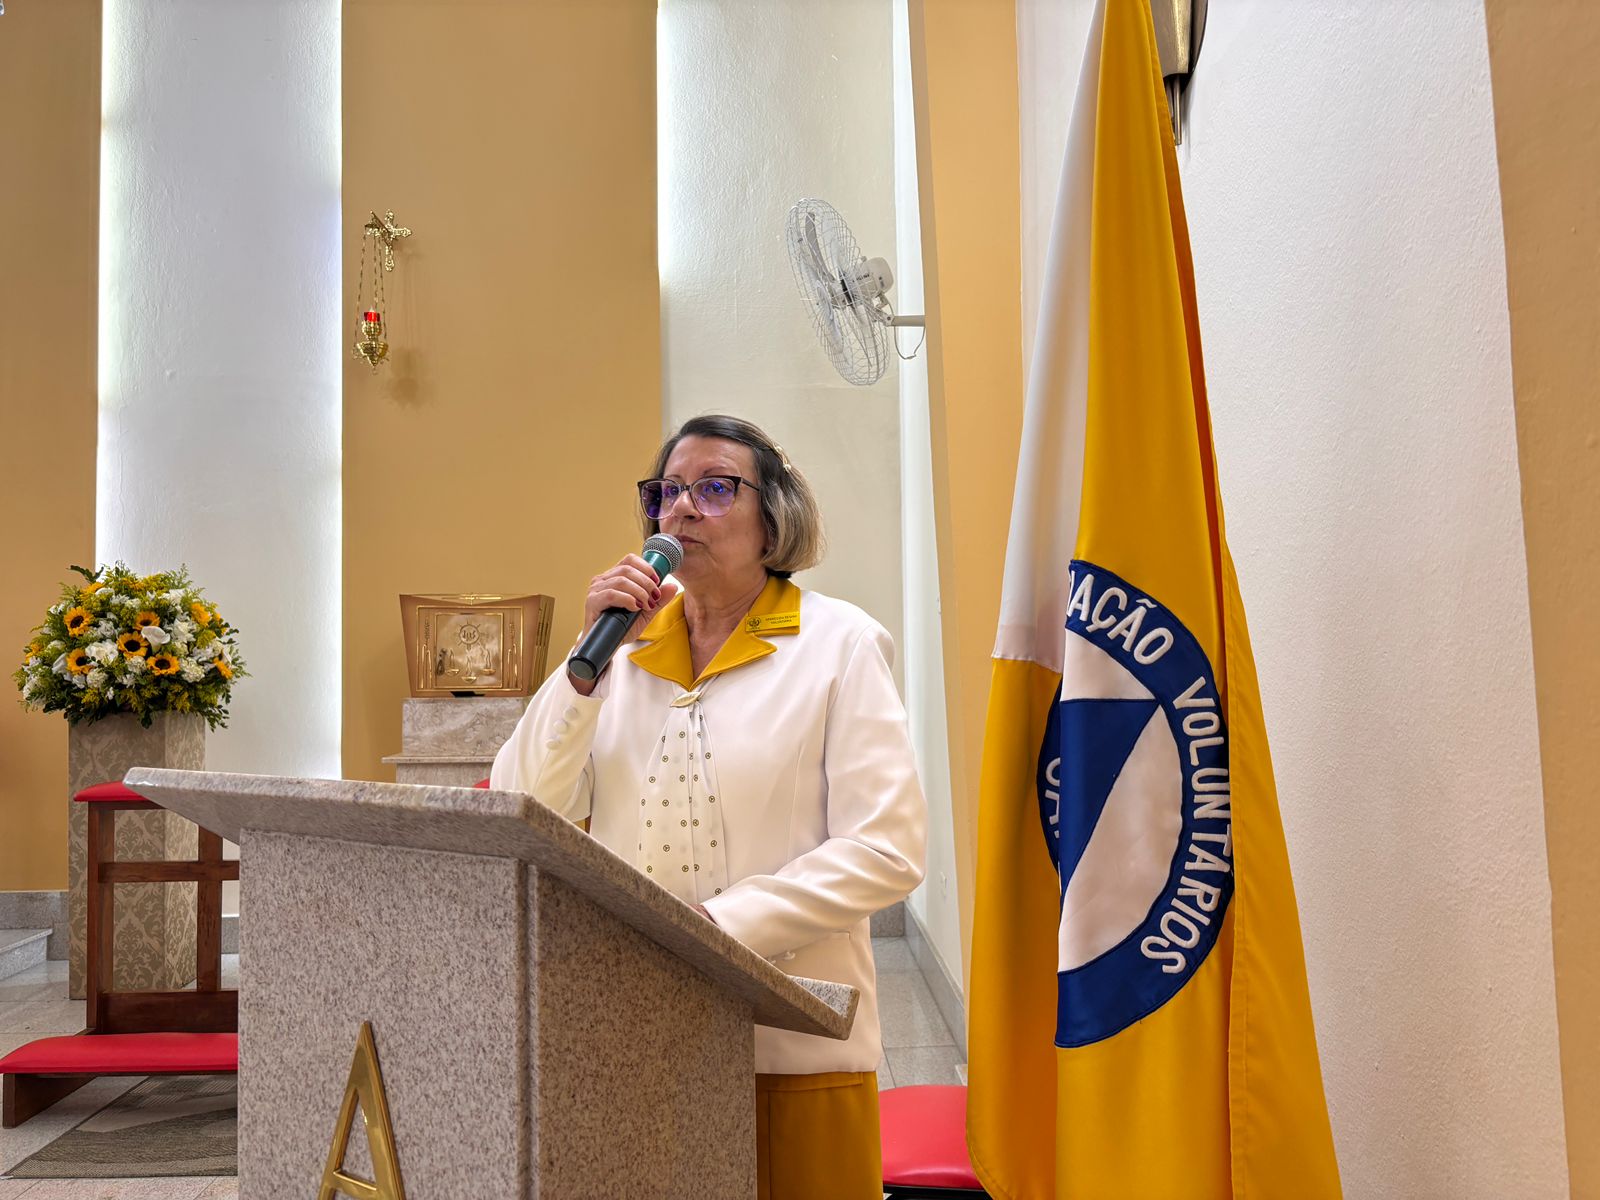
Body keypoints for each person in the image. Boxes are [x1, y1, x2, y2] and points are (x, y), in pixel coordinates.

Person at [492, 413, 927, 1199]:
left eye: (716, 488)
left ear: (774, 520)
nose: (683, 507)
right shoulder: (619, 653)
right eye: (667, 492)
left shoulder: (841, 646)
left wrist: (714, 931)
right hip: (640, 1032)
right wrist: (582, 670)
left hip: (790, 1040)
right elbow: (522, 801)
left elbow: (885, 850)